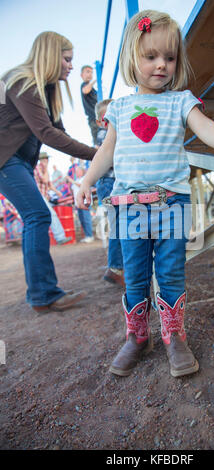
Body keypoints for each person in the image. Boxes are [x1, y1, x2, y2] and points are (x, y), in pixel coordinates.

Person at [76, 10, 214, 378]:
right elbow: (107, 151)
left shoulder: (181, 101)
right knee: (134, 274)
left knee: (172, 272)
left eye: (170, 57)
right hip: (127, 206)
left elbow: (204, 126)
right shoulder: (120, 107)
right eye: (151, 56)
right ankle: (136, 336)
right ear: (133, 57)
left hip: (172, 203)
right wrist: (85, 181)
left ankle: (174, 336)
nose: (161, 65)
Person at [0, 31, 97, 313]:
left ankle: (42, 293)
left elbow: (60, 133)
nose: (70, 66)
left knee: (37, 216)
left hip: (19, 162)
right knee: (37, 215)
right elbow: (48, 135)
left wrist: (97, 156)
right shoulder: (21, 81)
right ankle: (43, 294)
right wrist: (99, 154)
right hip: (5, 160)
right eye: (67, 59)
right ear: (52, 55)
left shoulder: (48, 89)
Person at [95, 99, 124, 286]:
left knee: (123, 223)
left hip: (114, 182)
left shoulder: (117, 133)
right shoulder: (102, 135)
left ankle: (118, 267)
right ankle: (115, 268)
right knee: (120, 224)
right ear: (100, 122)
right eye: (107, 118)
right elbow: (109, 158)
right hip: (108, 182)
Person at [34, 152, 72, 245]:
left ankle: (40, 241)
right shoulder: (38, 167)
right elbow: (45, 180)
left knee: (42, 218)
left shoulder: (44, 170)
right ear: (42, 160)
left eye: (47, 159)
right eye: (45, 159)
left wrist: (57, 192)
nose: (47, 161)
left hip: (44, 196)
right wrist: (46, 168)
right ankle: (60, 237)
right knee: (52, 214)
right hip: (39, 195)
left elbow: (49, 185)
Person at [67, 166, 94, 243]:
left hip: (85, 202)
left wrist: (71, 180)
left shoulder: (85, 178)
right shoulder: (77, 180)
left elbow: (81, 186)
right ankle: (87, 236)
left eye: (78, 171)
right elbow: (72, 190)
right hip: (78, 204)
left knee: (86, 219)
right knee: (82, 220)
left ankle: (90, 236)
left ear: (82, 171)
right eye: (76, 171)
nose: (77, 172)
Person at [80, 65, 98, 146]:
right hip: (93, 118)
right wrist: (95, 80)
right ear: (82, 75)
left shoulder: (93, 89)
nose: (90, 74)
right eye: (87, 72)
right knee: (98, 142)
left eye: (91, 72)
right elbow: (85, 90)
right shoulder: (84, 85)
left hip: (98, 117)